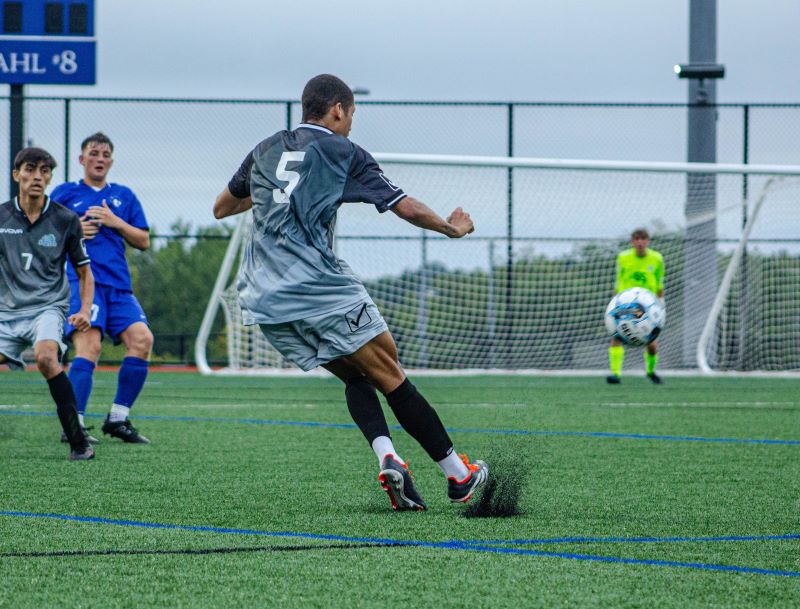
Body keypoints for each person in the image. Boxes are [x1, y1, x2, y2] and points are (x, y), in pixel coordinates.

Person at [214, 74, 488, 511]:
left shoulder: (264, 149)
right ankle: (459, 475)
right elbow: (404, 205)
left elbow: (222, 207)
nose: (352, 124)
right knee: (389, 368)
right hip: (316, 284)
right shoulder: (342, 151)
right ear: (338, 109)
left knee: (356, 372)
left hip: (264, 297)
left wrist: (272, 196)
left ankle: (388, 456)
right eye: (352, 114)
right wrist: (451, 228)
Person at [51, 132, 152, 444]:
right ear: (82, 159)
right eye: (93, 153)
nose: (100, 158)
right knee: (90, 347)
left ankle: (118, 419)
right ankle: (74, 424)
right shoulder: (65, 193)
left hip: (119, 287)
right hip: (83, 283)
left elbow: (144, 241)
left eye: (105, 154)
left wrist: (114, 221)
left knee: (142, 340)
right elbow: (43, 233)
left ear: (111, 161)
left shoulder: (124, 196)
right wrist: (75, 228)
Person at [0, 147, 95, 460]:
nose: (37, 177)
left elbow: (84, 272)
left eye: (44, 171)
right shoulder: (1, 217)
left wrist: (83, 310)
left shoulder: (65, 220)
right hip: (7, 311)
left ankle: (79, 443)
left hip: (47, 308)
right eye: (30, 169)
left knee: (45, 358)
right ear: (17, 175)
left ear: (50, 177)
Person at [607, 228, 665, 384]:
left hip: (648, 306)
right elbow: (619, 281)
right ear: (632, 241)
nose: (640, 242)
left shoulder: (657, 258)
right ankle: (615, 374)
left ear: (648, 241)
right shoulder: (623, 258)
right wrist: (614, 302)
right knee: (616, 336)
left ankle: (651, 371)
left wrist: (661, 305)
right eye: (637, 239)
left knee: (651, 343)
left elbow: (659, 284)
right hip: (626, 304)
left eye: (643, 239)